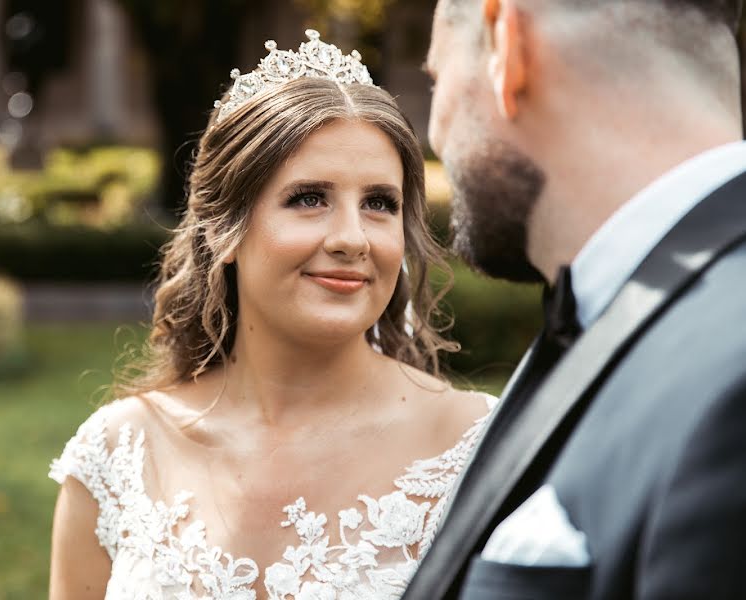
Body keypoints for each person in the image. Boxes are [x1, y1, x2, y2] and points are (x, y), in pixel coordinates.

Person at [47, 30, 492, 600]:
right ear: (222, 228)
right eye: (309, 198)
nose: (352, 238)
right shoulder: (118, 457)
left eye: (379, 204)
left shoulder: (475, 447)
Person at [404, 1, 746, 599]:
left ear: (506, 46)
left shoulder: (729, 377)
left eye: (438, 77)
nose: (434, 130)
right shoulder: (614, 314)